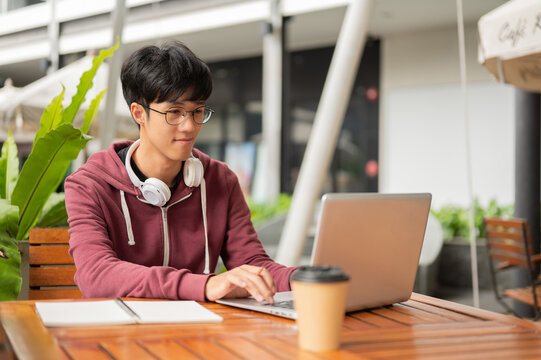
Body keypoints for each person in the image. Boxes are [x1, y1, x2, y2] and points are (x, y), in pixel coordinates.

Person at [65, 41, 296, 303]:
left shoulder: (220, 180)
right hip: (118, 334)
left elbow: (253, 262)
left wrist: (307, 279)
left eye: (197, 111)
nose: (189, 126)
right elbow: (96, 275)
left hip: (196, 331)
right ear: (139, 113)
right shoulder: (88, 186)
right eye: (174, 112)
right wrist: (205, 286)